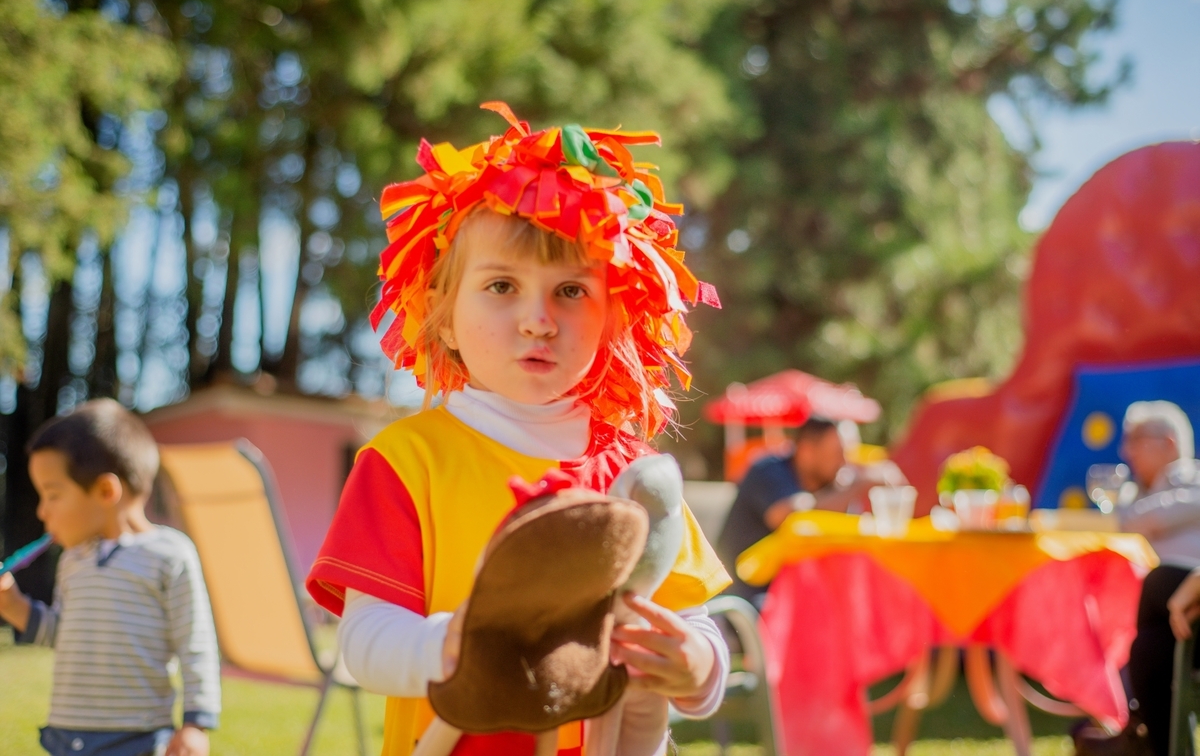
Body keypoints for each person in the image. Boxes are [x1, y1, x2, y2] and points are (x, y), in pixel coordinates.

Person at [304, 104, 731, 756]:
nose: (538, 319)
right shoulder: (407, 461)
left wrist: (697, 667)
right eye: (502, 285)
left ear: (614, 316)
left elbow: (695, 624)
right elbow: (364, 643)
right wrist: (451, 643)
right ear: (441, 316)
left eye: (570, 291)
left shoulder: (633, 470)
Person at [0, 399, 221, 756]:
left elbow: (196, 644)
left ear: (106, 492)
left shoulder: (169, 555)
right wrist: (12, 605)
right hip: (67, 735)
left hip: (138, 738)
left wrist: (196, 724)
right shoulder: (73, 560)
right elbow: (63, 632)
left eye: (52, 495)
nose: (42, 511)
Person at [1077, 400, 1199, 756]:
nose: (1127, 450)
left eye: (1137, 440)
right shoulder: (1137, 493)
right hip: (1175, 621)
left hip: (1180, 597)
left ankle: (1137, 736)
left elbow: (1138, 519)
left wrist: (1129, 511)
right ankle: (1147, 739)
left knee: (1159, 581)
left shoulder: (1191, 480)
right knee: (1149, 649)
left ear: (1170, 444)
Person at [716, 416, 903, 603]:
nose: (844, 463)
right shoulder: (768, 471)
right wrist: (856, 488)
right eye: (837, 454)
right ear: (806, 451)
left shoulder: (831, 483)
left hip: (796, 594)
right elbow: (785, 515)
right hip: (748, 597)